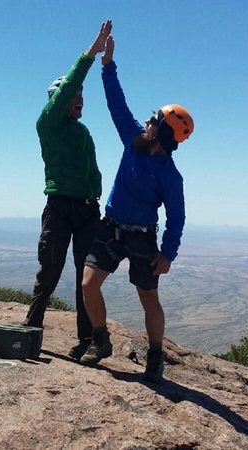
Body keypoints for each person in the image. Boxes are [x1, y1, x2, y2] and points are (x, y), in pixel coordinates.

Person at [79, 31, 194, 383]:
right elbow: (117, 103)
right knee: (88, 284)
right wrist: (108, 63)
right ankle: (101, 341)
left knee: (148, 298)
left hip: (143, 239)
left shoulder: (170, 177)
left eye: (154, 121)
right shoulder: (134, 141)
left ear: (163, 135)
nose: (148, 121)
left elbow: (177, 217)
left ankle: (156, 357)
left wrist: (168, 254)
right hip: (111, 228)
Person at [23, 21, 113, 360]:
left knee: (85, 278)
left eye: (81, 96)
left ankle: (86, 340)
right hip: (59, 206)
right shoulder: (48, 125)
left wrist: (98, 205)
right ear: (58, 102)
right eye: (74, 96)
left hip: (88, 210)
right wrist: (92, 51)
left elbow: (94, 172)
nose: (80, 99)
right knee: (49, 271)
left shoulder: (84, 132)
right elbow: (70, 83)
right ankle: (31, 332)